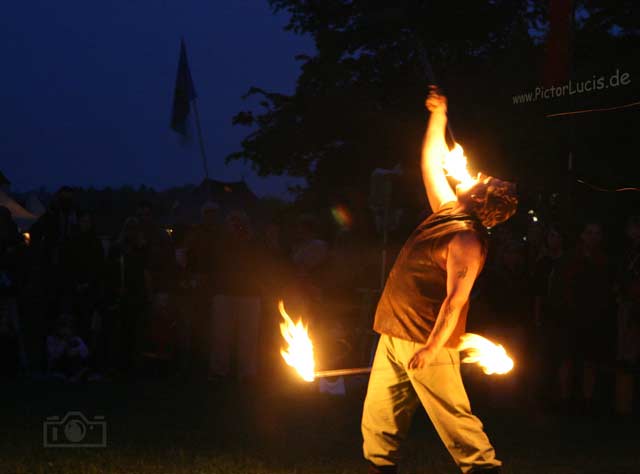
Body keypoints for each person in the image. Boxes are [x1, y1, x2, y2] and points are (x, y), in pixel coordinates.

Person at [361, 88, 517, 474]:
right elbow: (430, 163)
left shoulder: (466, 239)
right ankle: (379, 466)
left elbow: (455, 300)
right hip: (394, 329)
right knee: (378, 420)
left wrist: (431, 349)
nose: (475, 176)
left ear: (483, 202)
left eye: (483, 181)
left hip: (427, 337)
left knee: (453, 419)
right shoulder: (447, 212)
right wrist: (439, 116)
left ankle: (484, 469)